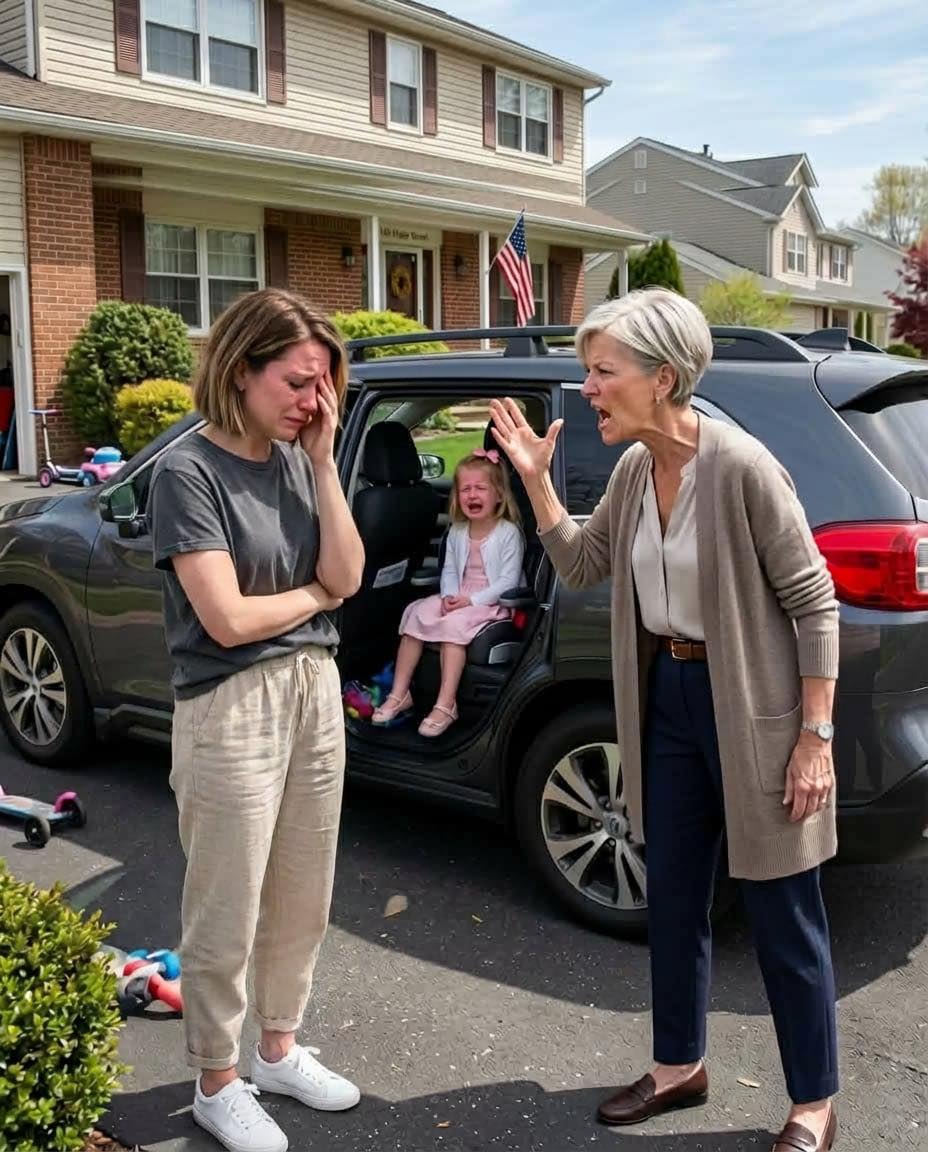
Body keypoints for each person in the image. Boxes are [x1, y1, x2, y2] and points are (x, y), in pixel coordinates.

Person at [490, 288, 841, 1152]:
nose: (589, 390)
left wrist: (814, 738)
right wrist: (535, 484)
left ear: (665, 377)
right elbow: (580, 563)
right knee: (673, 896)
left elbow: (815, 601)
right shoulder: (637, 470)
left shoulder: (745, 467)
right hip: (671, 702)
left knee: (782, 912)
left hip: (754, 709)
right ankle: (680, 1065)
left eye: (604, 372)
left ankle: (814, 1104)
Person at [149, 288, 365, 1152]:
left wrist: (322, 462)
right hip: (230, 703)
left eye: (322, 387)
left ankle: (278, 1049)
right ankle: (216, 1078)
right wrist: (315, 596)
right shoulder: (186, 472)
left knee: (302, 894)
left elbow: (347, 573)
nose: (312, 401)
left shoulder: (294, 459)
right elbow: (227, 620)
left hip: (315, 688)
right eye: (298, 382)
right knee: (226, 906)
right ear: (242, 370)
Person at [372, 448, 524, 737]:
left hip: (491, 602)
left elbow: (508, 580)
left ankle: (446, 704)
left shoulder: (507, 533)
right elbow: (451, 571)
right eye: (465, 489)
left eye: (481, 488)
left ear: (499, 495)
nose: (472, 495)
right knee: (416, 612)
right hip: (460, 598)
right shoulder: (456, 531)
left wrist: (471, 601)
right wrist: (449, 597)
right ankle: (399, 693)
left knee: (453, 627)